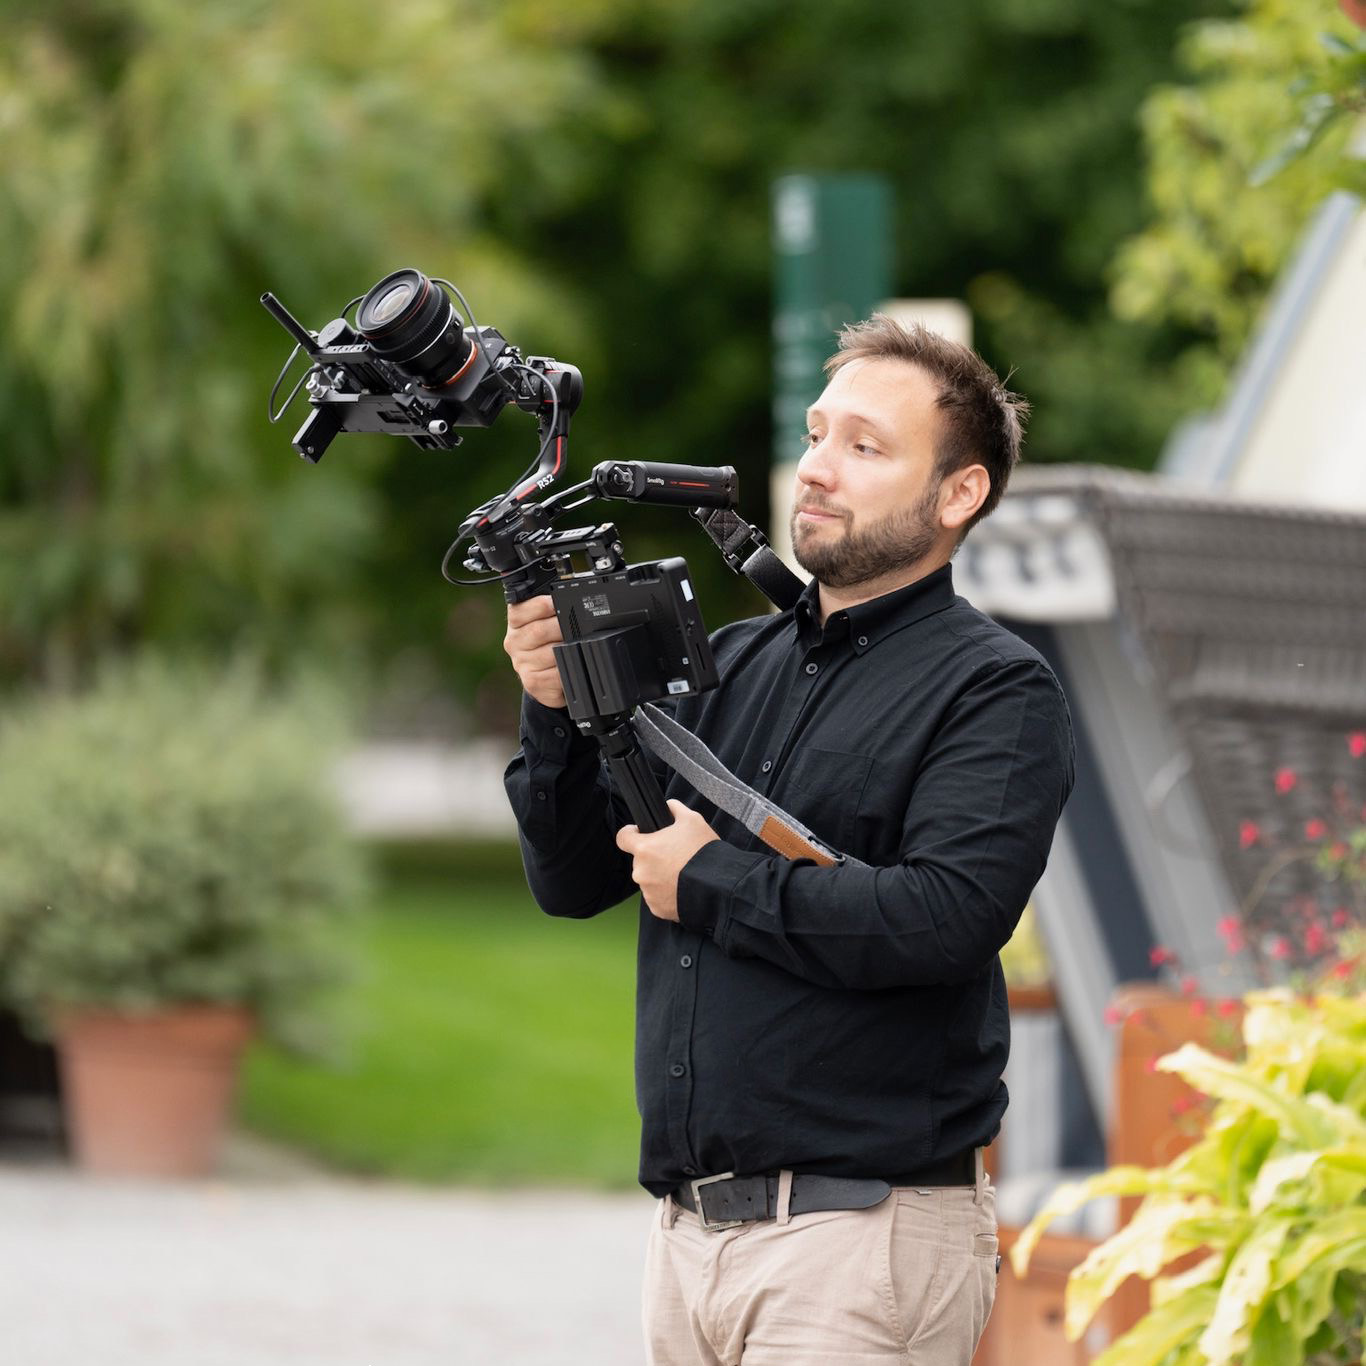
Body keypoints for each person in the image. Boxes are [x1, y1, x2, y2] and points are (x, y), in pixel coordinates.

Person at [502, 314, 1075, 1365]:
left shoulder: (996, 691)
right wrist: (550, 708)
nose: (817, 467)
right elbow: (574, 879)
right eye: (816, 435)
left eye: (864, 445)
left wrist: (712, 880)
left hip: (862, 1241)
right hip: (687, 1245)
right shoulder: (730, 661)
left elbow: (943, 920)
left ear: (959, 495)